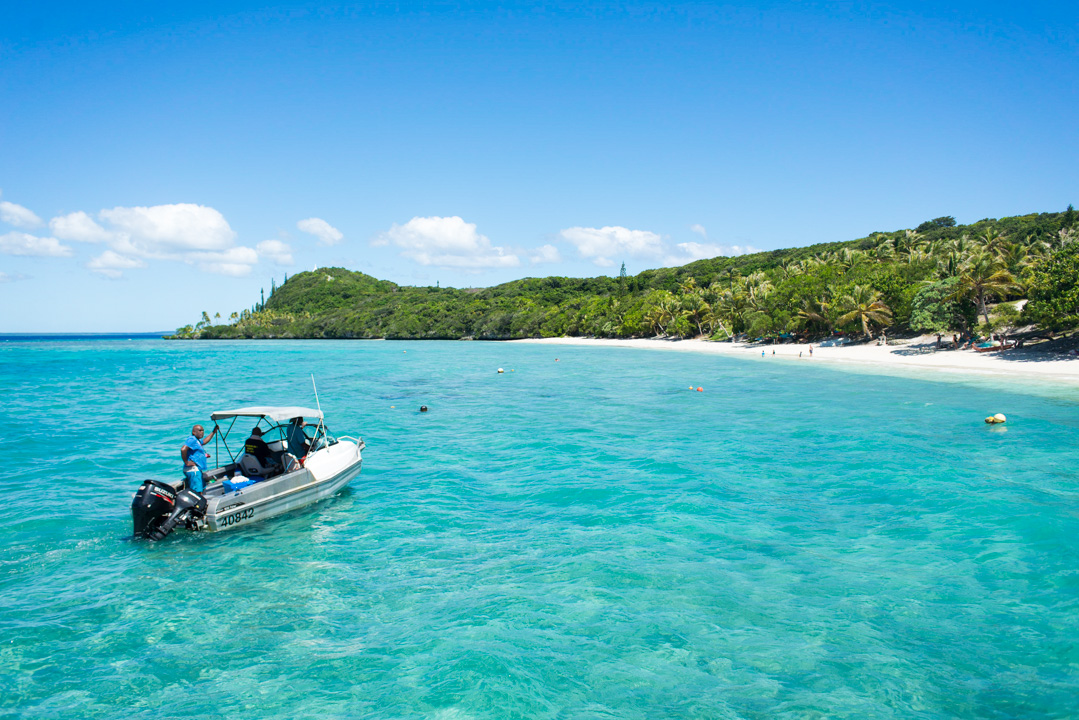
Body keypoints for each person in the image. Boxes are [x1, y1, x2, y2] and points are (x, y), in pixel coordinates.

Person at [181, 423, 217, 493]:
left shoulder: (197, 440)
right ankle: (198, 503)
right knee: (197, 491)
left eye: (203, 431)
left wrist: (213, 432)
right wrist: (187, 462)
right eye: (200, 430)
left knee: (201, 488)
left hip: (196, 469)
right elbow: (183, 449)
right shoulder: (192, 439)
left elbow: (204, 441)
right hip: (193, 470)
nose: (202, 432)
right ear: (193, 432)